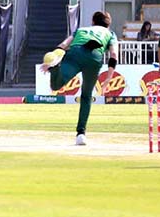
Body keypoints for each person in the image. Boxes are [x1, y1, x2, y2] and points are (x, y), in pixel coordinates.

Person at [40, 11, 119, 146]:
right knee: (86, 96)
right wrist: (108, 79)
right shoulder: (110, 34)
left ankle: (55, 69)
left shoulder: (81, 29)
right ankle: (81, 134)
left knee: (56, 86)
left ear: (93, 22)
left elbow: (64, 45)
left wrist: (53, 58)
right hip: (94, 57)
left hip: (75, 52)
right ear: (108, 24)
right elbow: (113, 54)